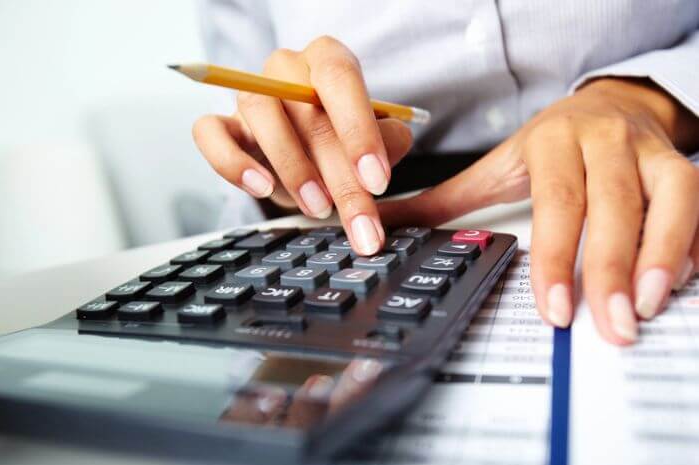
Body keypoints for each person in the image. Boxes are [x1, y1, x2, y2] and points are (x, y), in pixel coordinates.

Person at [192, 1, 699, 345]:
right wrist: (284, 162)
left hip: (653, 167)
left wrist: (647, 96)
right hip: (357, 223)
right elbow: (246, 97)